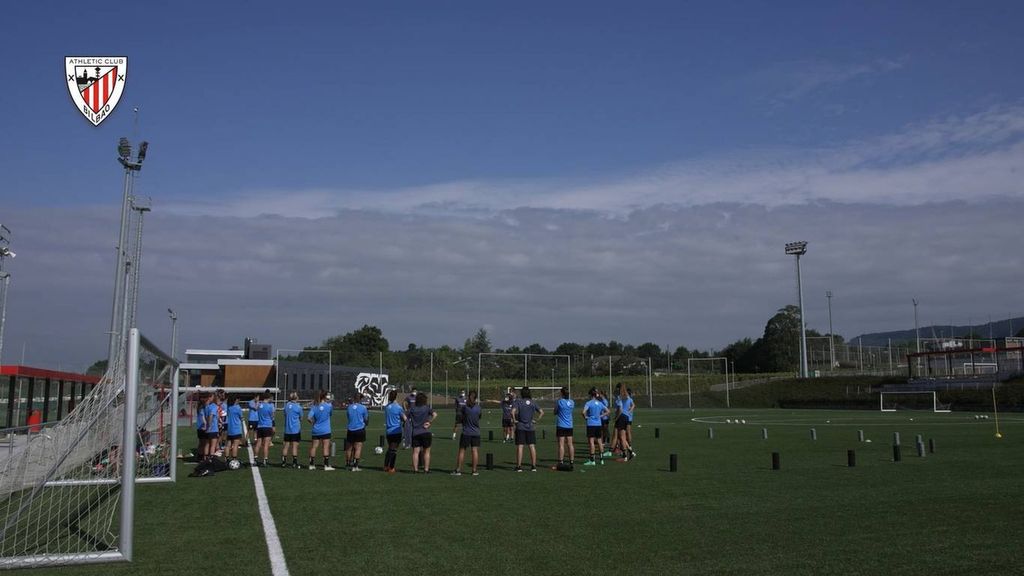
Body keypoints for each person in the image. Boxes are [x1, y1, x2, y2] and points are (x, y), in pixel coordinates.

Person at [512, 386, 544, 472]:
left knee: (520, 446)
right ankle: (533, 466)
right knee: (531, 446)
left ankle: (519, 467)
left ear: (522, 393)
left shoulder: (518, 402)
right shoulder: (533, 402)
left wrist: (514, 420)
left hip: (521, 426)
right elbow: (541, 412)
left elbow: (513, 411)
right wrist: (536, 420)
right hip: (530, 426)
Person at [452, 390, 481, 476]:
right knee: (474, 450)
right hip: (476, 433)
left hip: (466, 433)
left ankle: (458, 470)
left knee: (462, 451)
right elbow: (479, 417)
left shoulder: (464, 408)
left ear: (468, 397)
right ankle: (474, 470)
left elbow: (460, 419)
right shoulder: (478, 408)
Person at [408, 392, 436, 473]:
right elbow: (435, 414)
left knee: (415, 452)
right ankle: (426, 470)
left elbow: (405, 417)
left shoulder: (412, 408)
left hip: (415, 432)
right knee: (426, 451)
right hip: (425, 432)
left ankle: (415, 470)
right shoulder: (426, 408)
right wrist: (429, 422)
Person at [581, 388, 610, 466]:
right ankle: (601, 459)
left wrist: (586, 417)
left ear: (590, 395)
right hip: (598, 424)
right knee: (599, 441)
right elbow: (608, 411)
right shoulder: (600, 403)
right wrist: (601, 416)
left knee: (591, 442)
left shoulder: (588, 403)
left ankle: (592, 460)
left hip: (591, 424)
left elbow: (583, 412)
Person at [307, 391, 334, 470]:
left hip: (316, 429)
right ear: (325, 397)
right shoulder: (329, 406)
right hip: (326, 430)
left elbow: (308, 418)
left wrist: (313, 423)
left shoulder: (314, 406)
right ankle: (326, 465)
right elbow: (330, 414)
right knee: (325, 447)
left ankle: (311, 465)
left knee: (314, 447)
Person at [382, 390, 406, 473]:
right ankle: (391, 468)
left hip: (388, 431)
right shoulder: (398, 407)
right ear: (396, 397)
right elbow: (404, 419)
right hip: (396, 431)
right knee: (394, 450)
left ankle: (385, 466)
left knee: (390, 449)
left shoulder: (387, 407)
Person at [346, 392, 369, 471]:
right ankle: (355, 466)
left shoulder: (349, 407)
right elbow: (366, 419)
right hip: (360, 430)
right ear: (360, 399)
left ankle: (348, 464)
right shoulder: (363, 408)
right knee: (358, 448)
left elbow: (348, 417)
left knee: (349, 448)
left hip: (350, 429)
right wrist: (366, 423)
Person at [614, 385, 636, 461]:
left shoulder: (619, 398)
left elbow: (619, 410)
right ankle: (631, 452)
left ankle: (624, 457)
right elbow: (633, 405)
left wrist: (616, 418)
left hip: (621, 417)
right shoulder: (628, 398)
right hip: (626, 417)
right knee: (622, 437)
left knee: (622, 437)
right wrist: (629, 412)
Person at [554, 386, 575, 466]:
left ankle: (561, 461)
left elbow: (555, 412)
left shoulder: (559, 402)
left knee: (561, 444)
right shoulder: (572, 402)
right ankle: (571, 461)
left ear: (562, 393)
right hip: (569, 425)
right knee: (570, 444)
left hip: (561, 425)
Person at [281, 392, 303, 468]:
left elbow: (285, 414)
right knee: (294, 446)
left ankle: (283, 462)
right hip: (295, 430)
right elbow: (301, 418)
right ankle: (294, 463)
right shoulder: (298, 407)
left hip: (287, 429)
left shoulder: (286, 405)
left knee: (286, 446)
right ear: (296, 398)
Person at [255, 392, 276, 467]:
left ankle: (255, 459)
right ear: (268, 398)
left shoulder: (260, 405)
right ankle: (265, 461)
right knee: (266, 445)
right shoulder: (270, 406)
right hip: (267, 426)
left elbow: (256, 408)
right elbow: (272, 416)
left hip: (260, 426)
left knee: (258, 443)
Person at [225, 395, 244, 463]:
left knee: (228, 445)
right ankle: (234, 459)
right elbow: (241, 418)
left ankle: (226, 458)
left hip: (230, 429)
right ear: (235, 400)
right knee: (235, 445)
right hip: (236, 429)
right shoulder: (238, 408)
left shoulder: (229, 407)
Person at [203, 393, 220, 465]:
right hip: (213, 429)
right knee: (213, 445)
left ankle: (205, 458)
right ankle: (211, 459)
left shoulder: (207, 406)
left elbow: (205, 416)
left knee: (207, 444)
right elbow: (211, 416)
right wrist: (210, 425)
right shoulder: (213, 406)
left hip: (208, 429)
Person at [194, 393, 209, 460]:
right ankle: (201, 456)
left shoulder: (200, 407)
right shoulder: (202, 408)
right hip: (202, 428)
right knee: (204, 443)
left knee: (201, 443)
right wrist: (206, 425)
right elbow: (203, 418)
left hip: (199, 427)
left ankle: (200, 456)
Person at [597, 390, 612, 457]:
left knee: (605, 429)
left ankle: (606, 441)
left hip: (605, 417)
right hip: (602, 417)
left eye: (599, 394)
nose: (598, 395)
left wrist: (602, 413)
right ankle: (604, 441)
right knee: (603, 429)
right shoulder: (601, 400)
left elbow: (605, 409)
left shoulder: (604, 401)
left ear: (602, 394)